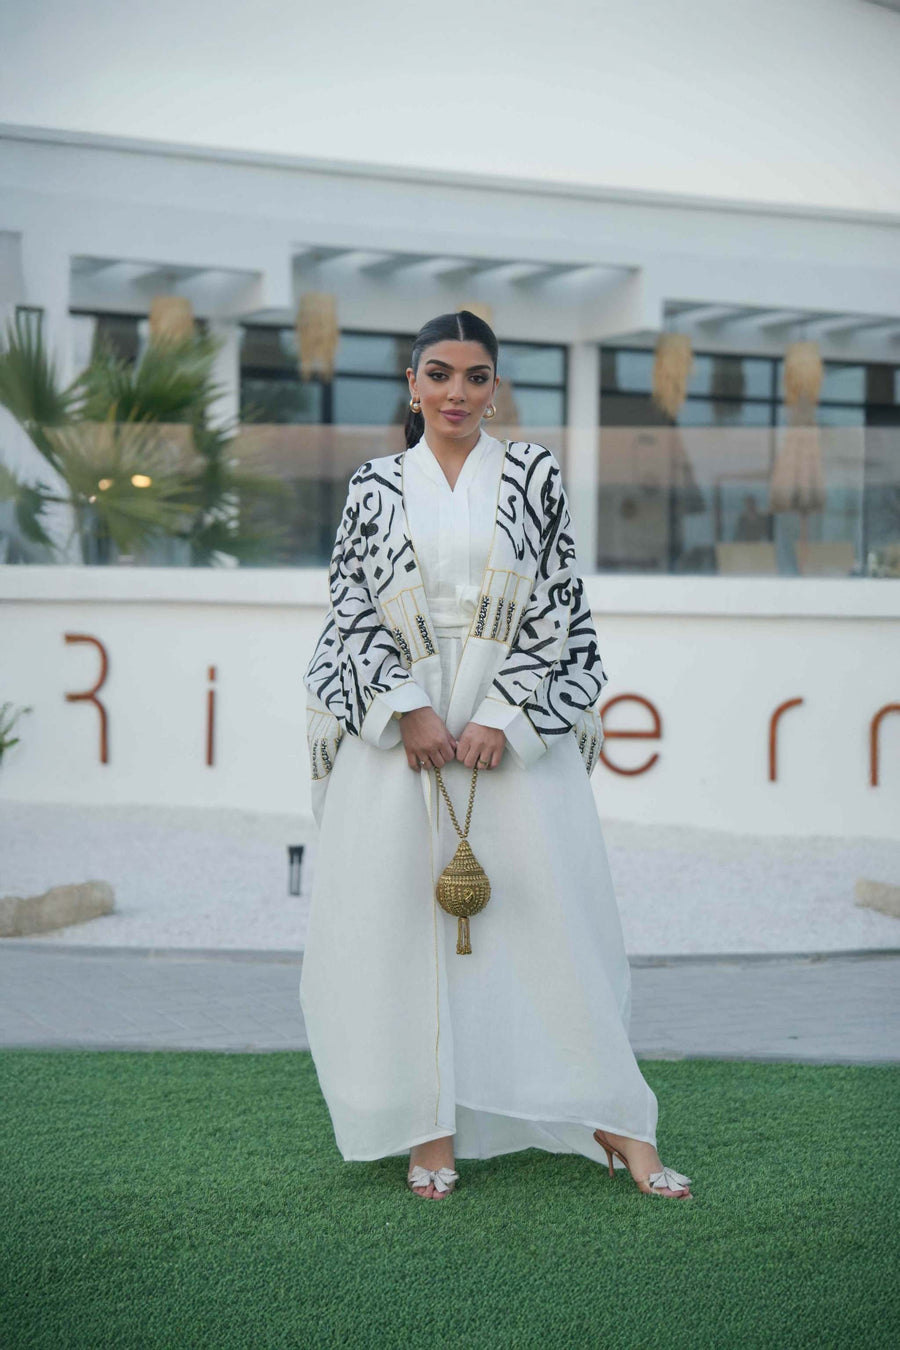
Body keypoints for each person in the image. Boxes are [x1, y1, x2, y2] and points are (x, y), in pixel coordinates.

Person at [300, 310, 694, 1201]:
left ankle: (616, 1121)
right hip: (401, 738)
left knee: (555, 922)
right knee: (400, 931)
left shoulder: (530, 475)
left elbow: (558, 604)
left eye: (477, 378)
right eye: (439, 374)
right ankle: (428, 1133)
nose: (457, 393)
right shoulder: (373, 486)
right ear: (411, 384)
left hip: (506, 737)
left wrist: (503, 714)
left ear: (494, 388)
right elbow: (350, 611)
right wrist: (406, 712)